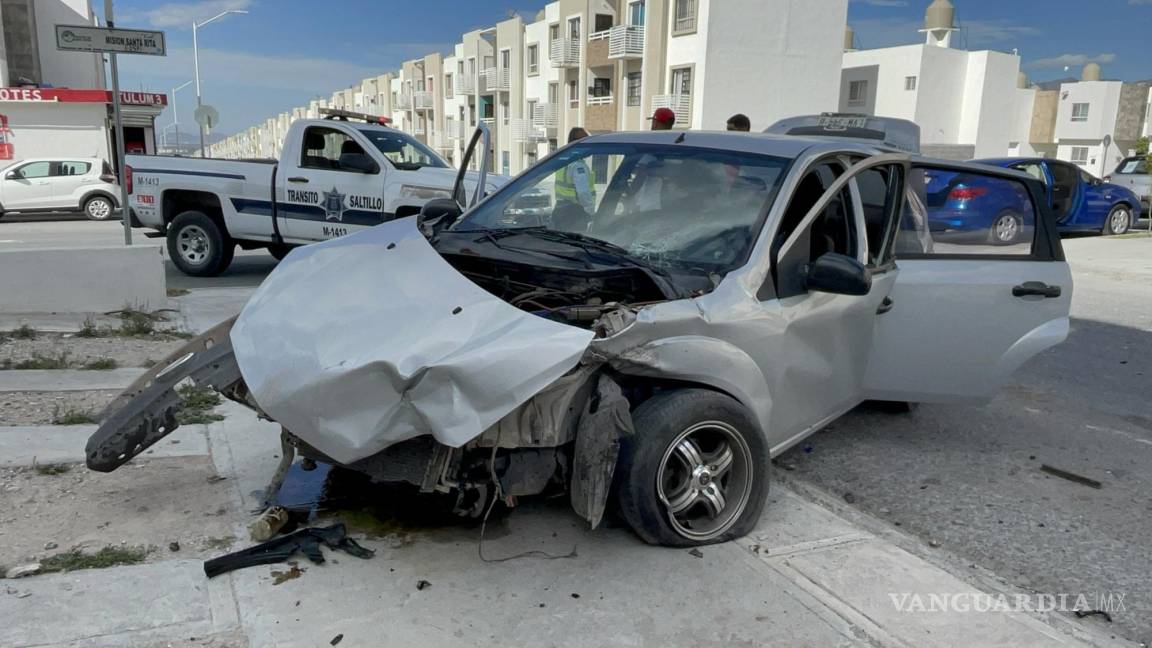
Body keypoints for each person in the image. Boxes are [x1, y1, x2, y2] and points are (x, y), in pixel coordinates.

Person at [554, 127, 596, 215]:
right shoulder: (578, 166)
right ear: (581, 144)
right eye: (587, 143)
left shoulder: (564, 162)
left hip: (560, 210)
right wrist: (591, 211)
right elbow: (583, 193)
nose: (590, 146)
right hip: (575, 213)